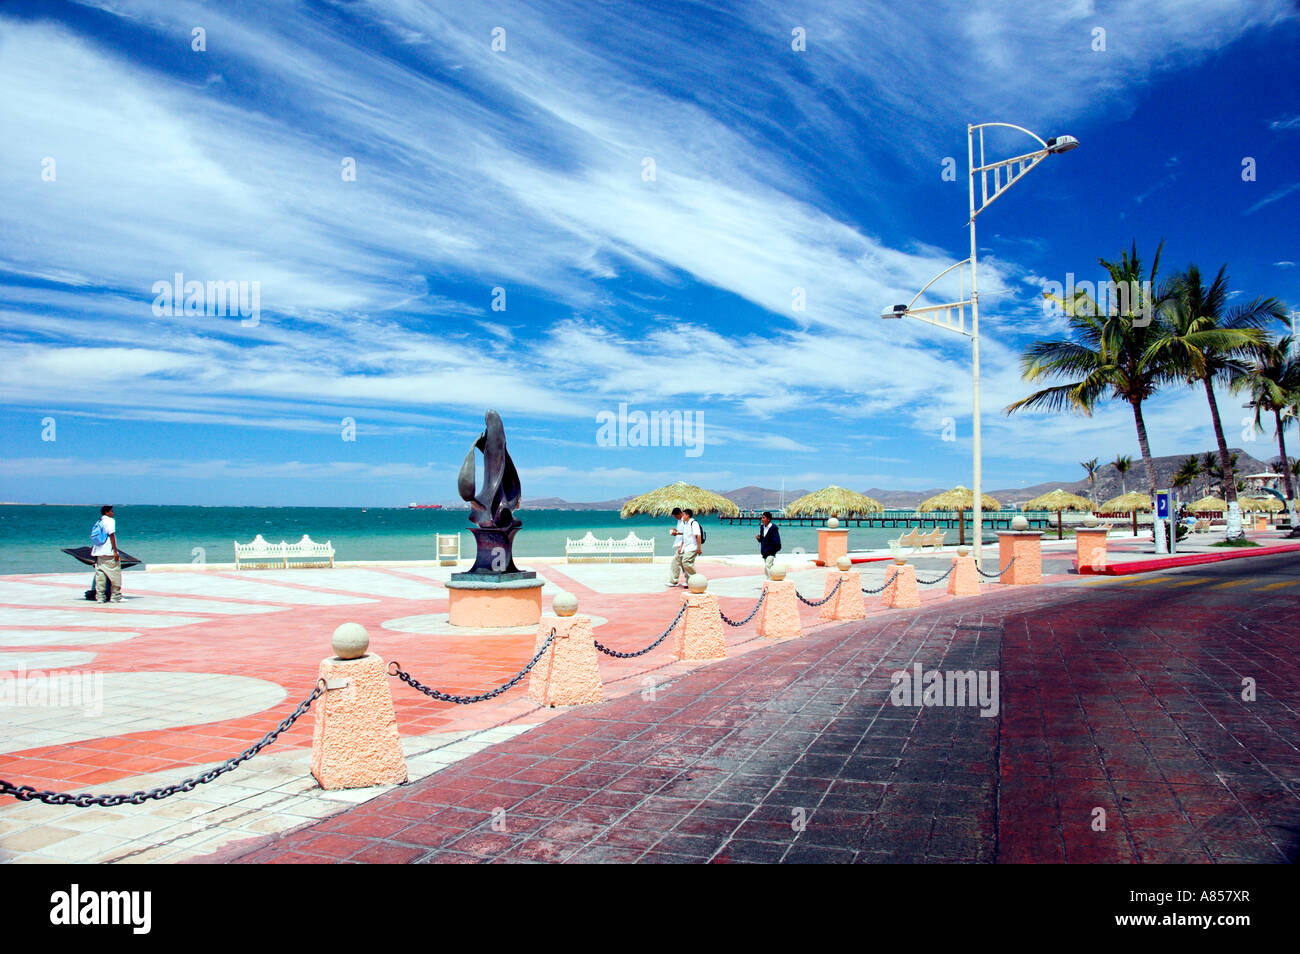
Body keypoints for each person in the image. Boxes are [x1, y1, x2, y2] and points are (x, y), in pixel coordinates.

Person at [91, 505, 123, 604]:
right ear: (107, 512)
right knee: (115, 575)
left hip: (98, 552)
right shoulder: (110, 521)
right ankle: (115, 596)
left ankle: (100, 597)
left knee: (100, 576)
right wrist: (115, 551)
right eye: (112, 511)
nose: (113, 513)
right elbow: (111, 535)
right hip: (108, 552)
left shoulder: (99, 521)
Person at [666, 507, 687, 586]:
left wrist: (681, 546)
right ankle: (675, 581)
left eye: (675, 516)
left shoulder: (685, 521)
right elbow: (681, 532)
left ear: (679, 514)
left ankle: (675, 581)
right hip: (680, 545)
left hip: (683, 545)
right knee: (680, 563)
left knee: (680, 563)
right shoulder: (679, 521)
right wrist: (675, 530)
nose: (675, 518)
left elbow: (686, 534)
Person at [756, 511, 781, 577]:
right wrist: (759, 539)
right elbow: (763, 539)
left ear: (768, 519)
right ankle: (776, 578)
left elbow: (777, 541)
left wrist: (773, 549)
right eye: (762, 517)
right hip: (764, 551)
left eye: (763, 518)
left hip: (771, 551)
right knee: (770, 567)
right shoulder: (762, 527)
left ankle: (769, 580)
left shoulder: (773, 528)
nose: (762, 519)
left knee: (767, 566)